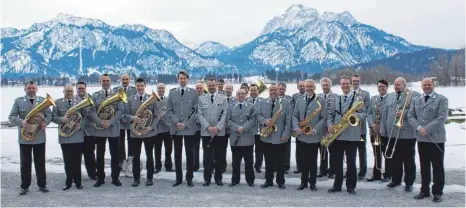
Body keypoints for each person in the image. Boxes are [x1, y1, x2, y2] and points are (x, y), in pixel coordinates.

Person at [9, 80, 52, 195]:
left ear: (36, 89)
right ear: (25, 89)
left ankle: (42, 185)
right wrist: (21, 122)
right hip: (24, 138)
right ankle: (24, 186)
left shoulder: (43, 101)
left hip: (39, 137)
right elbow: (11, 116)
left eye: (33, 88)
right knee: (25, 163)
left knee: (40, 162)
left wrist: (45, 122)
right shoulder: (18, 101)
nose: (31, 90)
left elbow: (49, 115)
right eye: (29, 88)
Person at [408, 78, 447, 203]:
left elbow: (441, 118)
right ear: (421, 86)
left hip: (436, 138)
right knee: (424, 166)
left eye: (429, 84)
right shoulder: (416, 99)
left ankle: (437, 192)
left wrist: (427, 129)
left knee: (437, 166)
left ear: (433, 85)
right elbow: (410, 116)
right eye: (424, 84)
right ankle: (424, 190)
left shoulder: (442, 99)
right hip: (421, 138)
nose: (426, 86)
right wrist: (419, 128)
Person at [52, 85, 96, 190]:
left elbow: (85, 117)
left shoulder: (79, 102)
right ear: (63, 91)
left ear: (73, 92)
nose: (69, 93)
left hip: (77, 135)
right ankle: (68, 182)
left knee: (77, 160)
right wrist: (61, 119)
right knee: (67, 160)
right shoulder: (57, 102)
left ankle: (78, 182)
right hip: (65, 136)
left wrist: (80, 125)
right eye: (67, 91)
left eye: (71, 91)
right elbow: (53, 117)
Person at [380, 77, 420, 192]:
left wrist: (404, 113)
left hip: (407, 134)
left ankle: (409, 182)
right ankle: (396, 179)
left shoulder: (413, 95)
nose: (396, 86)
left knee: (408, 159)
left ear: (404, 85)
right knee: (394, 159)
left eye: (398, 85)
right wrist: (384, 131)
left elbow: (416, 112)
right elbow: (384, 114)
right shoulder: (390, 97)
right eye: (395, 84)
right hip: (392, 133)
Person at [327, 76, 366, 194]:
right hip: (337, 134)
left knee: (351, 162)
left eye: (347, 84)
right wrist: (329, 125)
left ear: (351, 84)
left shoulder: (358, 99)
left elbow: (363, 115)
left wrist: (352, 117)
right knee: (337, 162)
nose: (345, 86)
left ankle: (351, 186)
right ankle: (337, 185)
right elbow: (330, 115)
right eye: (343, 84)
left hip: (351, 135)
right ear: (340, 85)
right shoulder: (335, 99)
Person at [165, 70, 199, 187]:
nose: (182, 80)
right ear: (178, 79)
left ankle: (189, 178)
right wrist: (177, 122)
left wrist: (185, 124)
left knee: (190, 154)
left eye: (184, 78)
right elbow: (168, 110)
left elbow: (195, 111)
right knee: (177, 154)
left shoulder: (194, 93)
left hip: (189, 128)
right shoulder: (172, 92)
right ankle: (178, 178)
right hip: (176, 128)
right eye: (180, 78)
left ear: (187, 79)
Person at [292, 79, 327, 191]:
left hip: (314, 136)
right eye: (307, 86)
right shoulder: (299, 99)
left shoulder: (321, 100)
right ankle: (303, 182)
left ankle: (312, 183)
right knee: (303, 161)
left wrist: (315, 130)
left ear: (315, 87)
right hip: (301, 135)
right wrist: (296, 128)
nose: (309, 88)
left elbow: (323, 118)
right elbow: (294, 115)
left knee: (312, 161)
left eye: (311, 86)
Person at [123, 78, 159, 186]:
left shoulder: (152, 98)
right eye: (138, 86)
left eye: (142, 85)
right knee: (136, 157)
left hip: (148, 132)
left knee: (149, 156)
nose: (140, 88)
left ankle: (149, 178)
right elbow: (125, 115)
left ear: (145, 85)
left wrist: (151, 127)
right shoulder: (130, 99)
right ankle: (136, 179)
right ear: (135, 86)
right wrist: (133, 118)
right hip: (135, 133)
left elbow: (157, 116)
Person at [91, 74, 125, 187]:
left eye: (107, 81)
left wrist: (110, 122)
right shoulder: (95, 96)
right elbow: (91, 111)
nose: (106, 82)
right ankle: (100, 178)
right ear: (100, 81)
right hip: (99, 129)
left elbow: (120, 110)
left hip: (113, 128)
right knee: (100, 155)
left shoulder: (117, 95)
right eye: (103, 81)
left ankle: (115, 178)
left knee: (115, 155)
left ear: (110, 82)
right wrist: (100, 122)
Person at [256, 84, 292, 189]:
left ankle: (280, 181)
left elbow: (288, 120)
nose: (273, 92)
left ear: (278, 91)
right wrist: (265, 121)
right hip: (266, 136)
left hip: (280, 137)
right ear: (269, 91)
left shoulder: (285, 103)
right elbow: (258, 115)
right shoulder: (262, 102)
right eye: (271, 90)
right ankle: (268, 180)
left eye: (275, 90)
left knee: (280, 161)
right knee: (268, 161)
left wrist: (286, 135)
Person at [197, 78, 229, 186]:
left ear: (216, 85)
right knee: (207, 157)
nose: (211, 87)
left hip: (219, 133)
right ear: (207, 86)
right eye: (209, 85)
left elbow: (225, 114)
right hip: (206, 133)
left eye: (213, 85)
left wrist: (218, 127)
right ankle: (207, 178)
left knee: (219, 156)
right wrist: (208, 127)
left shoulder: (223, 98)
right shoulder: (201, 99)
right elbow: (199, 114)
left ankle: (218, 178)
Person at [227, 89, 256, 187]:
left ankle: (250, 180)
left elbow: (253, 119)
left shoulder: (251, 106)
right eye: (239, 94)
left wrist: (244, 128)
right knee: (235, 162)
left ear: (246, 95)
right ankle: (235, 180)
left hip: (247, 138)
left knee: (249, 162)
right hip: (235, 138)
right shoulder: (230, 107)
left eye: (243, 94)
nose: (241, 95)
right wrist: (236, 128)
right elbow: (228, 120)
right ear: (236, 95)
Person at [366, 79, 391, 182]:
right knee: (376, 153)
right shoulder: (373, 99)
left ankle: (388, 174)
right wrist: (372, 124)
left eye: (383, 87)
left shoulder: (391, 99)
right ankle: (376, 174)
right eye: (379, 86)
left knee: (387, 153)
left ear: (387, 87)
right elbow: (369, 113)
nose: (381, 88)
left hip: (385, 131)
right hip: (374, 130)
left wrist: (381, 126)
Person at [113, 74, 137, 168]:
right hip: (119, 120)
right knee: (120, 143)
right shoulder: (115, 90)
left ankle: (130, 163)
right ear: (120, 80)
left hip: (130, 120)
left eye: (127, 79)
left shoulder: (134, 90)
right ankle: (121, 163)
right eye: (123, 79)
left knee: (132, 142)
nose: (125, 81)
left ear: (129, 80)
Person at [76, 81, 98, 180]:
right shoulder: (72, 99)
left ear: (86, 89)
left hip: (89, 130)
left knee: (90, 154)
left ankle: (92, 173)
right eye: (79, 88)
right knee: (76, 155)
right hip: (76, 131)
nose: (81, 90)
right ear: (76, 89)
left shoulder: (91, 98)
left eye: (82, 88)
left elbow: (93, 112)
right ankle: (75, 175)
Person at [351, 74, 370, 180]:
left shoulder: (365, 94)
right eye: (354, 81)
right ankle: (351, 170)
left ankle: (362, 172)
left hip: (361, 128)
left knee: (362, 150)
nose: (355, 83)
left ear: (360, 82)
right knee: (351, 151)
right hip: (349, 128)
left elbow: (366, 111)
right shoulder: (347, 93)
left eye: (357, 81)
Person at [318, 78, 337, 178]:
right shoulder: (318, 97)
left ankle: (332, 170)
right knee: (322, 149)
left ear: (330, 85)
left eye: (327, 85)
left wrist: (331, 125)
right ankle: (322, 169)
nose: (325, 87)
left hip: (331, 127)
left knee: (332, 150)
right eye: (323, 85)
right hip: (321, 127)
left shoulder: (336, 97)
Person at [154, 83, 174, 173]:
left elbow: (171, 112)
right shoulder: (153, 100)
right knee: (157, 149)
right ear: (157, 89)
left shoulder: (168, 100)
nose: (161, 89)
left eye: (162, 88)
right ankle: (157, 166)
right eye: (159, 88)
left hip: (167, 128)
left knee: (169, 148)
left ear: (165, 89)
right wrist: (158, 116)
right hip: (157, 128)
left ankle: (168, 166)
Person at [246, 84, 264, 173]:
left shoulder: (263, 101)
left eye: (255, 90)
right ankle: (249, 165)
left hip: (260, 130)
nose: (253, 92)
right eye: (251, 90)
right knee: (249, 150)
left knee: (259, 150)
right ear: (249, 91)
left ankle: (258, 166)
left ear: (258, 91)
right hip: (249, 131)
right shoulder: (245, 101)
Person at [278, 82, 293, 174]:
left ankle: (286, 166)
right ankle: (276, 165)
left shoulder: (290, 99)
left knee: (286, 147)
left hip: (287, 125)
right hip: (276, 126)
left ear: (285, 90)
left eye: (283, 89)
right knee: (276, 147)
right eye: (280, 88)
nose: (281, 90)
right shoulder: (274, 97)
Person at [291, 80, 305, 174]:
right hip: (298, 125)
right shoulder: (295, 96)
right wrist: (295, 125)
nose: (302, 87)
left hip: (308, 125)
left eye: (303, 86)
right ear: (297, 87)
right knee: (299, 148)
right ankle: (299, 166)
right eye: (300, 86)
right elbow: (293, 111)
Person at [193, 82, 205, 171]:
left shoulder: (207, 98)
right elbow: (191, 111)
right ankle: (195, 165)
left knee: (207, 148)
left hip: (205, 127)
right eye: (197, 88)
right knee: (195, 147)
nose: (199, 89)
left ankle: (208, 166)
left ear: (203, 89)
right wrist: (197, 118)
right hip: (195, 127)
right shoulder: (193, 99)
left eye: (200, 88)